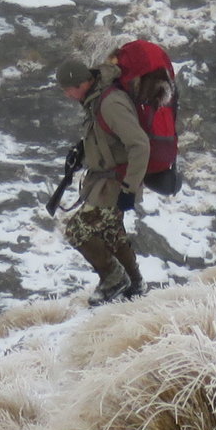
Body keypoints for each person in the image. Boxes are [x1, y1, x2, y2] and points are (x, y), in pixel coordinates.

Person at [59, 54, 149, 303]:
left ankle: (114, 279)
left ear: (81, 83)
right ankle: (135, 285)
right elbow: (108, 140)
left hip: (117, 184)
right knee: (112, 233)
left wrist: (130, 189)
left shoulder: (110, 103)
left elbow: (139, 145)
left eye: (68, 90)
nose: (67, 96)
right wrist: (83, 151)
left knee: (77, 229)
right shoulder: (96, 100)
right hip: (107, 183)